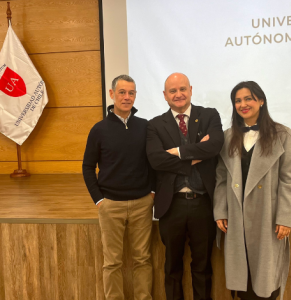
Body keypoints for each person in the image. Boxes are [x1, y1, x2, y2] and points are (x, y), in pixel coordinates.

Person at [214, 81, 291, 300]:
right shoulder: (228, 136)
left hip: (267, 217)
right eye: (238, 100)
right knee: (242, 279)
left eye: (248, 98)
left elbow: (289, 180)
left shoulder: (283, 134)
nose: (243, 104)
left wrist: (285, 217)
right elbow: (221, 178)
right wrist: (220, 211)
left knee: (266, 280)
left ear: (261, 100)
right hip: (236, 215)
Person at [146, 73, 224, 300]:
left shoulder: (209, 115)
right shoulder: (154, 125)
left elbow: (215, 146)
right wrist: (197, 155)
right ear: (165, 96)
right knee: (172, 267)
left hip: (203, 204)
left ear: (190, 90)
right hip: (172, 205)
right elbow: (156, 160)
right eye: (172, 91)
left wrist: (180, 152)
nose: (178, 94)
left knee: (202, 266)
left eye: (182, 89)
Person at [82, 74, 155, 300]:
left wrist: (152, 192)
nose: (126, 97)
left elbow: (154, 162)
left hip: (142, 204)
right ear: (112, 94)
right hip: (110, 205)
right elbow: (87, 167)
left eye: (131, 93)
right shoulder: (99, 130)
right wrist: (99, 200)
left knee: (143, 259)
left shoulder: (145, 127)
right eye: (122, 92)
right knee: (112, 262)